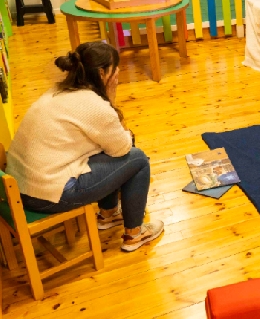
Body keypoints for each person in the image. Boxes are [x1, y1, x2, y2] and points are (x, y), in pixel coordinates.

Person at [6, 42, 164, 252]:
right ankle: (134, 234)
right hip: (47, 194)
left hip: (22, 188)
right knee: (138, 160)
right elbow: (122, 148)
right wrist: (111, 98)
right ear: (101, 73)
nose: (118, 72)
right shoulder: (94, 105)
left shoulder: (58, 91)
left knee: (106, 150)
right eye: (114, 68)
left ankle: (108, 214)